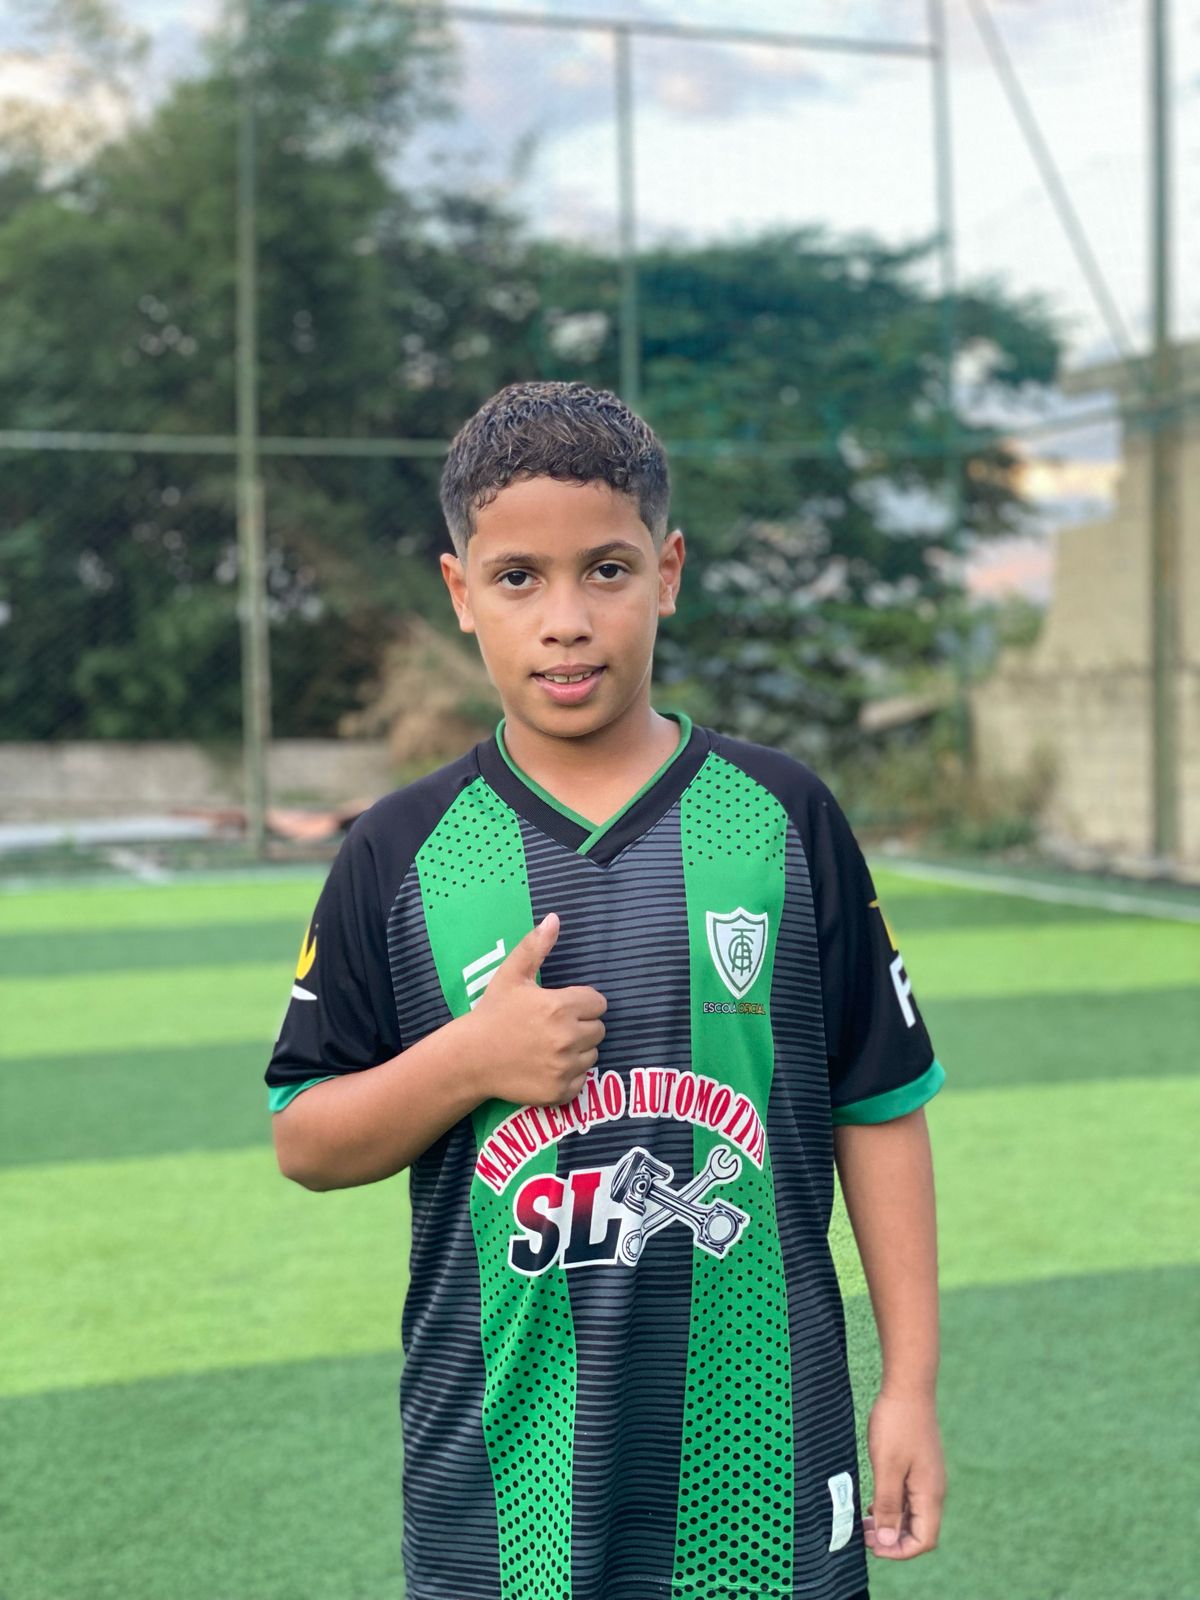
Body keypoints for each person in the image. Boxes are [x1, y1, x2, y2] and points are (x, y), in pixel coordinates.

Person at [266, 379, 948, 1600]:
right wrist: (467, 1062)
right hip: (498, 1479)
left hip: (765, 1458)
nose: (566, 621)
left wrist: (909, 1387)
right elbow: (306, 1138)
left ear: (668, 572)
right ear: (460, 592)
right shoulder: (400, 851)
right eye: (518, 578)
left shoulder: (782, 818)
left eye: (608, 571)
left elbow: (880, 1101)